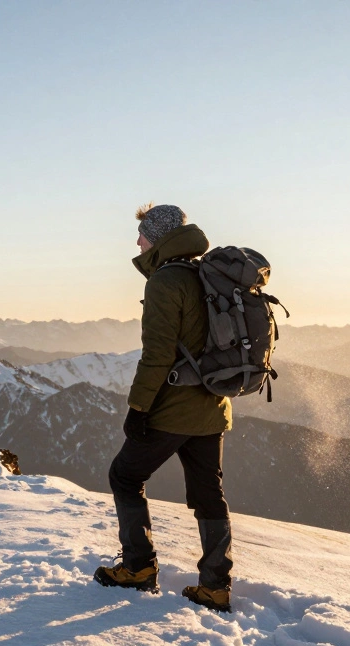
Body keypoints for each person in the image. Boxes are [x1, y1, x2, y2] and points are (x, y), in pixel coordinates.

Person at [94, 203, 235, 612]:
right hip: (213, 407)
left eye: (142, 234)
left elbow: (156, 354)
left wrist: (138, 407)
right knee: (210, 494)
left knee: (124, 475)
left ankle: (139, 567)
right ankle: (216, 585)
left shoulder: (165, 281)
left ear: (158, 236)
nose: (137, 242)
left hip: (174, 407)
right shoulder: (207, 274)